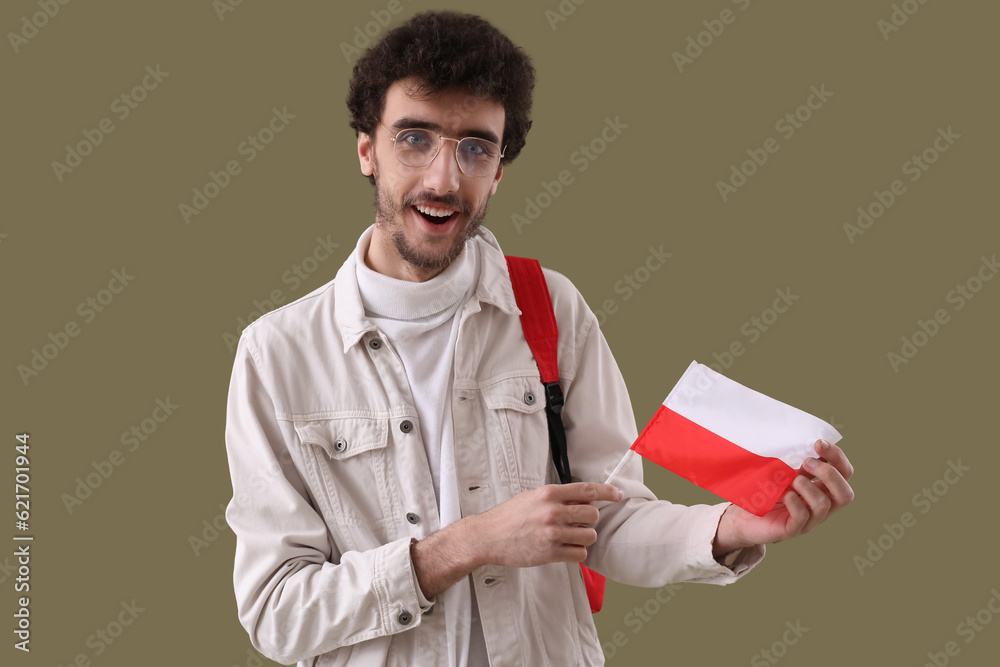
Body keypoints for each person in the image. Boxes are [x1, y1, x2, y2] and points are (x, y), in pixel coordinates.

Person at [223, 10, 855, 667]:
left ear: (498, 169)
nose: (444, 178)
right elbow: (277, 611)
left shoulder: (549, 308)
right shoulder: (276, 354)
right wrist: (472, 541)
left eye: (475, 147)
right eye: (414, 138)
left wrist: (733, 528)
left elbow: (608, 521)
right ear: (366, 149)